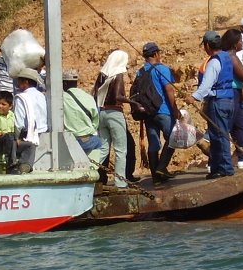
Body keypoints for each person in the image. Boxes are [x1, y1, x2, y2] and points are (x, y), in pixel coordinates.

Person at [189, 30, 243, 177]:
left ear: (208, 46)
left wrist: (193, 97)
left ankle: (225, 169)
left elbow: (206, 85)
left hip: (218, 101)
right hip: (229, 99)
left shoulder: (214, 61)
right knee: (220, 134)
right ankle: (216, 167)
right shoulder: (228, 58)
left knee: (220, 136)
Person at [135, 42, 178, 182]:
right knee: (173, 137)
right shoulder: (162, 69)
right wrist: (175, 109)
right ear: (155, 54)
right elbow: (169, 90)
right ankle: (162, 167)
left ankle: (156, 178)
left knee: (153, 143)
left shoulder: (140, 71)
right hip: (163, 110)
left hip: (147, 112)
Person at [94, 51, 131, 187]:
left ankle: (87, 170)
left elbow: (95, 94)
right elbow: (117, 97)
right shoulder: (118, 74)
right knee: (121, 150)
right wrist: (133, 102)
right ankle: (120, 183)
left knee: (103, 149)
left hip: (101, 112)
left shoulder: (102, 74)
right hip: (114, 113)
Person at [0, 91, 35, 174]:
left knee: (30, 145)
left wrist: (16, 139)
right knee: (10, 137)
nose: (0, 106)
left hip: (9, 141)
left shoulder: (11, 115)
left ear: (10, 106)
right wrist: (12, 137)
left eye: (3, 104)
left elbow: (13, 133)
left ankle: (25, 165)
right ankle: (11, 166)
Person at [61, 68, 103, 163]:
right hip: (87, 140)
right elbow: (96, 119)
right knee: (98, 143)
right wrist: (90, 130)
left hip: (68, 141)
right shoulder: (88, 97)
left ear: (64, 83)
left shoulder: (60, 97)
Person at [12, 67, 48, 168]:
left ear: (26, 82)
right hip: (44, 133)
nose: (17, 84)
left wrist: (17, 139)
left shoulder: (21, 98)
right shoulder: (42, 96)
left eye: (19, 81)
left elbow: (19, 124)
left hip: (28, 136)